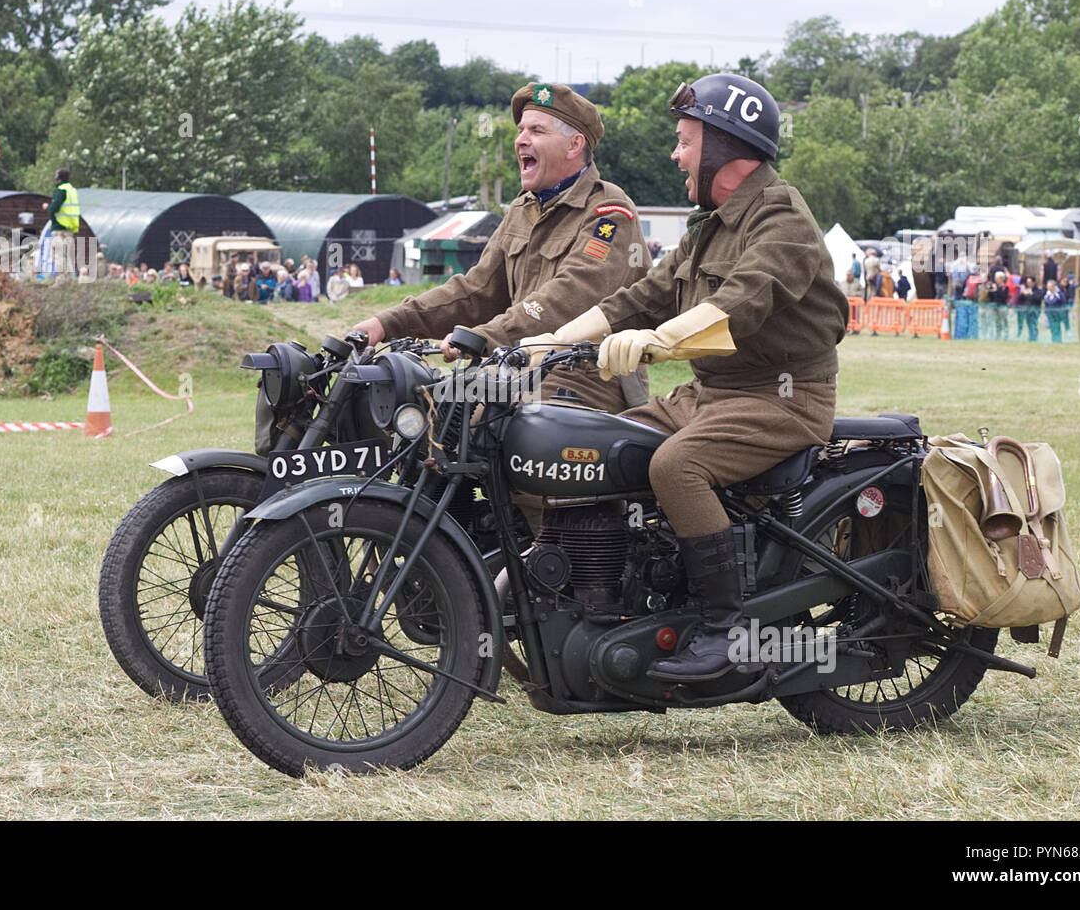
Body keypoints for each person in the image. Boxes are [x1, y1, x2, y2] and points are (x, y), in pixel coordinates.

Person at [526, 73, 847, 682]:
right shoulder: (709, 226)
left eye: (685, 142)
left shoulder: (783, 219)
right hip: (712, 394)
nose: (675, 155)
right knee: (594, 448)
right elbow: (642, 295)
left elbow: (744, 301)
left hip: (782, 398)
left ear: (725, 146)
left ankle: (729, 627)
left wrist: (657, 343)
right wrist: (550, 340)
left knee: (677, 466)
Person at [352, 81, 650, 414]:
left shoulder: (609, 212)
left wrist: (485, 336)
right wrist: (387, 322)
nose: (521, 139)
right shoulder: (522, 209)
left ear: (574, 144)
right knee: (424, 409)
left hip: (587, 376)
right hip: (519, 367)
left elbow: (570, 298)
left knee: (482, 427)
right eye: (521, 130)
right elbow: (476, 290)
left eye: (537, 130)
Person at [44, 167, 80, 276]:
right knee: (67, 256)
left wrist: (47, 207)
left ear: (58, 179)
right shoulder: (72, 190)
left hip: (59, 228)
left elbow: (55, 208)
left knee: (59, 255)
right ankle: (68, 280)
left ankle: (61, 281)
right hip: (69, 228)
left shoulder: (61, 190)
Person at [1016, 275, 1042, 342]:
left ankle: (1034, 338)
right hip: (1027, 309)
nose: (1028, 284)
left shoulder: (1038, 290)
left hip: (1035, 310)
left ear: (1033, 282)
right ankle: (1031, 337)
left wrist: (1031, 293)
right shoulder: (1026, 289)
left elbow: (1038, 299)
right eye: (1027, 282)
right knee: (1029, 324)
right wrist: (1022, 293)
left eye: (1029, 282)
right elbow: (1020, 300)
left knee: (1033, 324)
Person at [1043, 278, 1068, 342]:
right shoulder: (1047, 295)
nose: (1048, 287)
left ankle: (1058, 340)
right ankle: (1053, 340)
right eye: (1047, 286)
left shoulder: (1059, 294)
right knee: (1052, 328)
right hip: (1050, 315)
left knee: (1057, 327)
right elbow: (1046, 305)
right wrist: (1046, 313)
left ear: (1053, 287)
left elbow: (1063, 303)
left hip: (1057, 315)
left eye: (1049, 286)